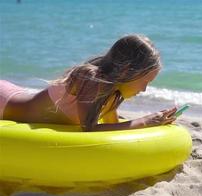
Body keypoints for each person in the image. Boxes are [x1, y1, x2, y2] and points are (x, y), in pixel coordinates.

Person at [0, 34, 177, 131]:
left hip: (17, 93)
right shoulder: (92, 79)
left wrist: (155, 122)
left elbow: (110, 124)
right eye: (144, 81)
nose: (145, 89)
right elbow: (89, 128)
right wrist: (145, 121)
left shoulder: (114, 92)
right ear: (127, 70)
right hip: (4, 102)